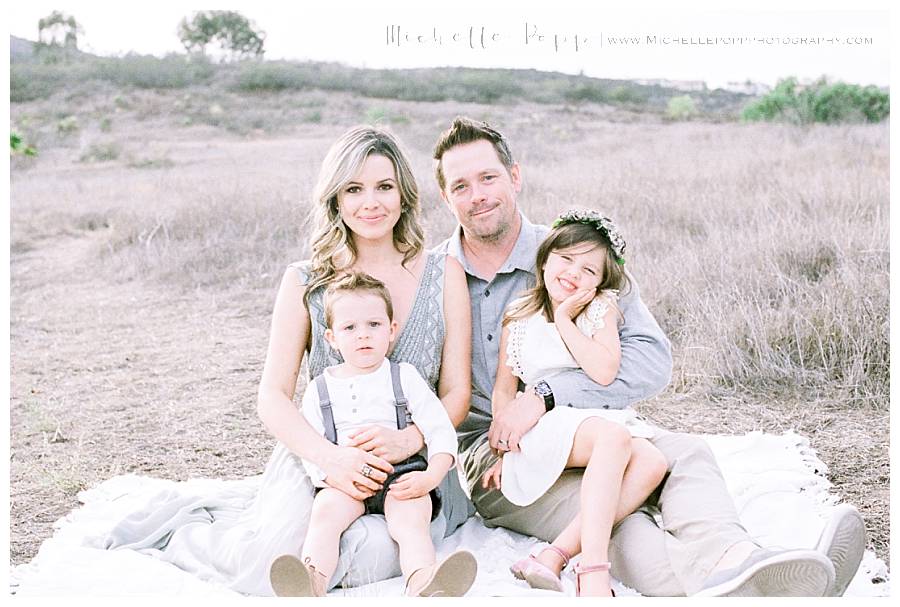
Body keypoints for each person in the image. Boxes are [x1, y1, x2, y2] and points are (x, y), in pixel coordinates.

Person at [431, 116, 866, 597]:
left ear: (514, 176)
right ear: (445, 197)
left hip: (596, 425)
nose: (478, 195)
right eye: (461, 185)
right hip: (500, 457)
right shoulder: (436, 276)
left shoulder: (575, 254)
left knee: (687, 455)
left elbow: (650, 362)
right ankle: (748, 589)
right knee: (612, 515)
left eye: (488, 177)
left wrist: (547, 395)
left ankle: (743, 561)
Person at [255, 125, 475, 594]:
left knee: (387, 546)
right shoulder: (304, 281)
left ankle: (425, 583)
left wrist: (409, 440)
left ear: (404, 194)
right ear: (335, 199)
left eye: (384, 186)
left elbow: (456, 391)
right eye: (354, 189)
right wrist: (331, 459)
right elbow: (272, 397)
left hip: (414, 470)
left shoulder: (444, 273)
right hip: (326, 462)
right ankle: (308, 583)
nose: (370, 203)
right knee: (310, 538)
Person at [480, 210, 668, 596]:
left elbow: (603, 372)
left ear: (600, 281)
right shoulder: (518, 315)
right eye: (566, 259)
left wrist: (566, 320)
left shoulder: (601, 308)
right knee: (613, 440)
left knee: (652, 461)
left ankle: (555, 555)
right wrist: (501, 449)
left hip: (592, 417)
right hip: (541, 426)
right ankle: (594, 570)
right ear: (546, 258)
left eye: (588, 270)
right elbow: (504, 389)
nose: (573, 274)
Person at [269, 271, 476, 597]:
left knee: (409, 521)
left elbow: (439, 428)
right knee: (325, 514)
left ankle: (424, 580)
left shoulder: (402, 376)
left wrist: (431, 477)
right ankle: (311, 581)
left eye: (374, 325)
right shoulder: (320, 388)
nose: (362, 335)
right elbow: (312, 446)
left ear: (392, 330)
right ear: (331, 338)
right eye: (349, 328)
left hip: (403, 476)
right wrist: (328, 477)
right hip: (347, 478)